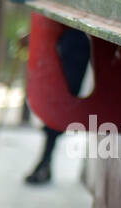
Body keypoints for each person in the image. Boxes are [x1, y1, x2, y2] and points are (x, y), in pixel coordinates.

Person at [24, 27, 91, 184]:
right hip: (60, 43)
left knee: (59, 106)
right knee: (52, 106)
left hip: (74, 45)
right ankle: (45, 163)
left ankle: (44, 163)